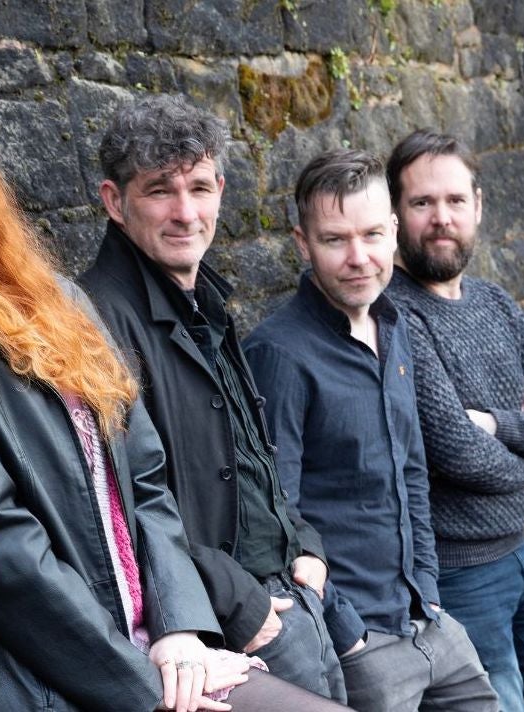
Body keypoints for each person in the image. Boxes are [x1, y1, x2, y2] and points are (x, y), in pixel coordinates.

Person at [0, 96, 348, 712]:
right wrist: (141, 685)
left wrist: (180, 628)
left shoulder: (62, 303)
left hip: (159, 649)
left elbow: (144, 480)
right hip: (51, 678)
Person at [80, 93, 347, 702]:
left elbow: (250, 451)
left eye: (199, 188)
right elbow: (117, 504)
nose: (184, 212)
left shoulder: (206, 298)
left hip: (289, 592)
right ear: (114, 202)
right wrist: (237, 600)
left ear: (221, 191)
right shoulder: (95, 321)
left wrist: (304, 541)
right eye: (158, 191)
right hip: (230, 619)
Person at [243, 148, 498, 712]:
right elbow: (273, 516)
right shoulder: (278, 354)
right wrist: (349, 634)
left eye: (372, 235)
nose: (359, 257)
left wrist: (428, 592)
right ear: (303, 244)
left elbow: (411, 472)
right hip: (362, 648)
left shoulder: (394, 324)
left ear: (393, 231)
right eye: (335, 240)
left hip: (430, 623)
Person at [383, 128, 524, 712]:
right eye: (422, 203)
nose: (441, 218)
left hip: (523, 556)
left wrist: (499, 426)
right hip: (458, 575)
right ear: (396, 214)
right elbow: (453, 449)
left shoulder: (495, 302)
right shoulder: (394, 313)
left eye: (455, 201)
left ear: (478, 206)